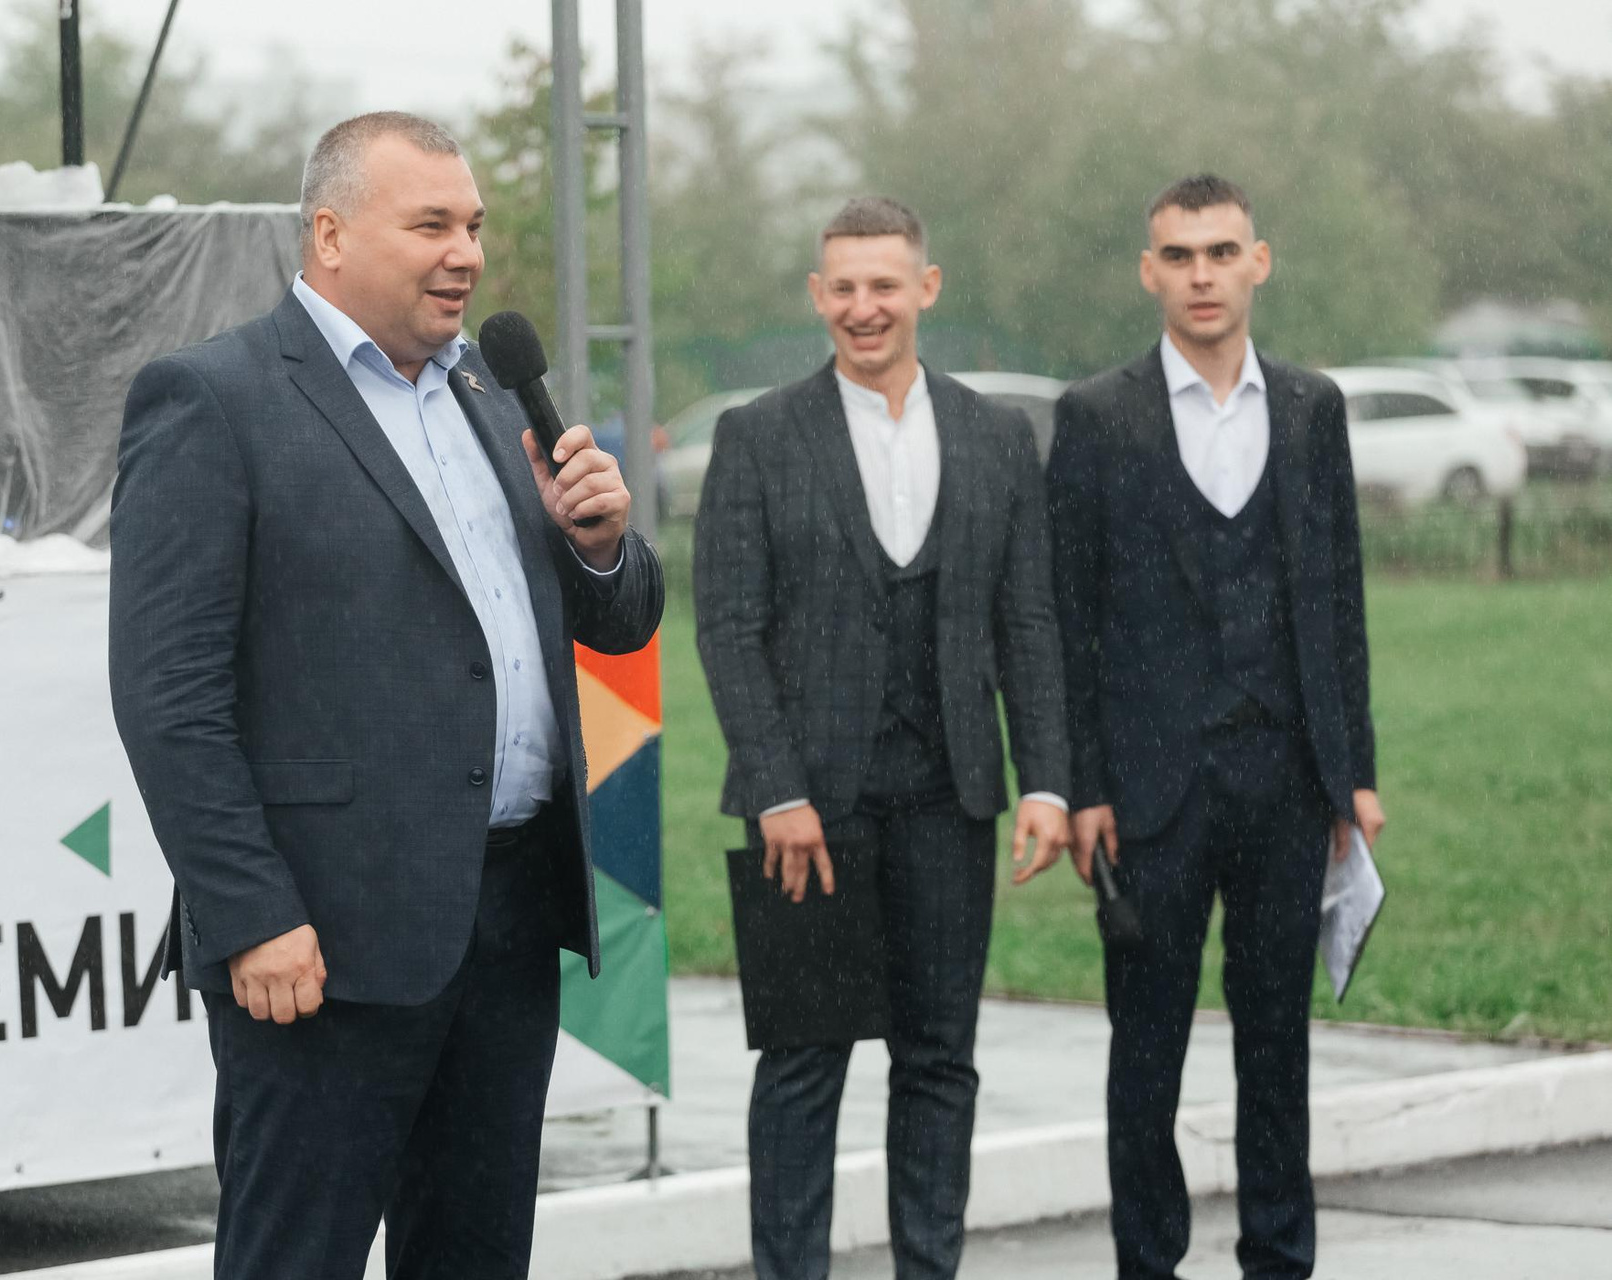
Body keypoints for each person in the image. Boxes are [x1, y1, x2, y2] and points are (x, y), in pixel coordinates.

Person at [106, 111, 663, 1280]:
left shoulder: (492, 397)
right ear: (330, 234)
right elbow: (169, 695)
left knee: (474, 1256)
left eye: (474, 226)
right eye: (430, 225)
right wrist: (251, 911)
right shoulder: (213, 399)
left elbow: (615, 622)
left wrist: (603, 546)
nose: (466, 254)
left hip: (508, 923)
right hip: (325, 942)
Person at [693, 196, 1071, 1280]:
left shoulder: (997, 435)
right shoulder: (758, 436)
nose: (865, 307)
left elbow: (1028, 621)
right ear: (819, 296)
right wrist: (775, 790)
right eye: (845, 288)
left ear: (926, 288)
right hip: (807, 809)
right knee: (804, 1065)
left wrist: (1047, 779)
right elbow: (729, 628)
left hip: (951, 794)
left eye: (885, 286)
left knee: (940, 1060)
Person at [1045, 174, 1386, 1280]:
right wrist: (1082, 782)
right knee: (1145, 1055)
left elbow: (1338, 599)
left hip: (1285, 776)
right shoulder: (1096, 415)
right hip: (1149, 789)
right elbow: (1069, 616)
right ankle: (1148, 1262)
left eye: (1222, 252)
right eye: (1182, 256)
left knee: (1277, 1042)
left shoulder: (1312, 407)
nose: (1203, 275)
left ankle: (1279, 1259)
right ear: (1150, 271)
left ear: (1258, 263)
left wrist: (1353, 771)